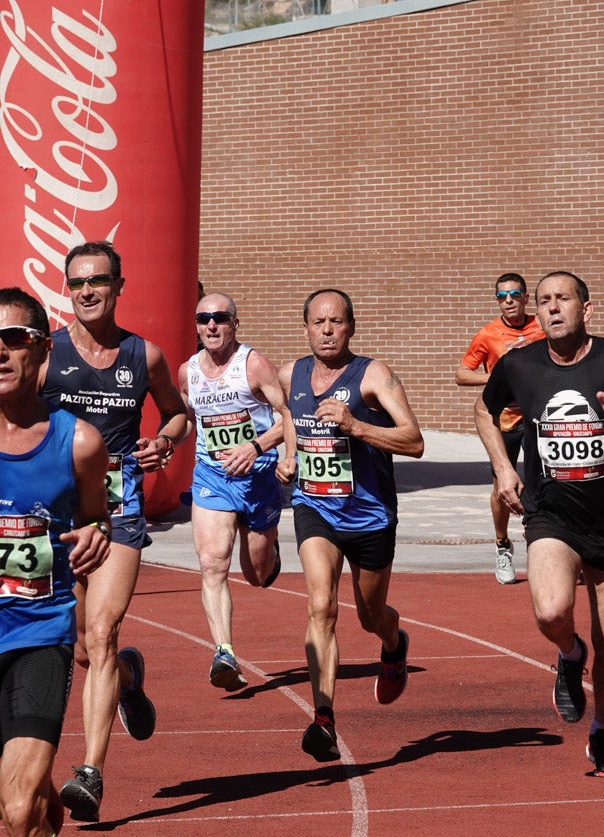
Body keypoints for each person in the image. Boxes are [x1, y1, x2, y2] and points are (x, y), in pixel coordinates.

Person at [475, 271, 604, 777]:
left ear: (587, 308)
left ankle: (602, 729)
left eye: (563, 299)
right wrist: (502, 468)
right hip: (550, 515)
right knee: (551, 610)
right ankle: (567, 651)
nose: (552, 308)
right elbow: (483, 408)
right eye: (543, 301)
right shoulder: (519, 364)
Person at [39, 241, 188, 822]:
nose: (86, 291)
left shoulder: (142, 356)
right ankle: (129, 675)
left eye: (98, 281)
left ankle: (90, 773)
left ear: (119, 286)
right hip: (55, 512)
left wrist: (166, 439)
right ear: (67, 288)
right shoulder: (46, 356)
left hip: (120, 508)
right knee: (81, 647)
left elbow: (177, 412)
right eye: (76, 282)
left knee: (100, 631)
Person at [0, 287, 111, 837]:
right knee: (31, 804)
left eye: (11, 340)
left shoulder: (78, 440)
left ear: (42, 347)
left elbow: (99, 518)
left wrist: (95, 533)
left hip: (40, 633)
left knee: (15, 807)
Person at [276, 289, 424, 763]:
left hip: (370, 514)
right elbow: (289, 417)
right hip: (315, 506)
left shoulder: (373, 375)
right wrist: (283, 452)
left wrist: (357, 426)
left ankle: (393, 642)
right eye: (318, 322)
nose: (326, 330)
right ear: (305, 328)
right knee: (321, 605)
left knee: (369, 614)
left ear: (351, 327)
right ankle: (323, 719)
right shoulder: (291, 373)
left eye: (335, 322)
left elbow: (415, 441)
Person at [178, 292, 285, 689]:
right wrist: (168, 442)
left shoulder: (253, 364)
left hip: (257, 477)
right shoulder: (187, 372)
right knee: (212, 563)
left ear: (234, 323)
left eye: (220, 318)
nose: (211, 326)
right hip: (212, 476)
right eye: (203, 318)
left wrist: (256, 447)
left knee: (255, 575)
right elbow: (190, 421)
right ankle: (224, 651)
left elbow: (287, 415)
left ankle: (268, 548)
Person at [457, 273, 545, 584]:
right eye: (501, 296)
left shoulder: (542, 326)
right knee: (502, 487)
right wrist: (499, 379)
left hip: (538, 416)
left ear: (525, 298)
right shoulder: (487, 335)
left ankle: (544, 541)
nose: (508, 300)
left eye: (514, 294)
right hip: (503, 420)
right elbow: (462, 374)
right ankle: (502, 544)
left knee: (545, 479)